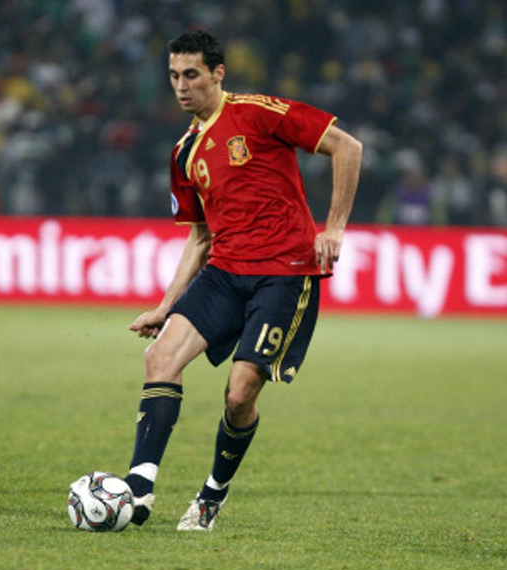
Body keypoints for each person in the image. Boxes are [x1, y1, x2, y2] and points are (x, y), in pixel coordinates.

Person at [124, 30, 362, 531]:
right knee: (160, 357)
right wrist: (166, 305)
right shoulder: (184, 152)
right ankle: (137, 492)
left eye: (191, 74)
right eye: (174, 76)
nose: (181, 85)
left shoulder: (258, 113)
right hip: (224, 272)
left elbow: (347, 147)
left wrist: (335, 227)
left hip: (284, 275)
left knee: (239, 395)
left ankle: (212, 493)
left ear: (217, 73)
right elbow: (199, 238)